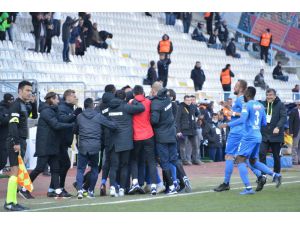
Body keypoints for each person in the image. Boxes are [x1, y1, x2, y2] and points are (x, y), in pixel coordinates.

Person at [19, 92, 74, 199]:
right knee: (39, 168)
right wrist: (72, 125)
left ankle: (57, 190)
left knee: (55, 168)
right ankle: (24, 188)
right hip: (45, 145)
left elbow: (60, 121)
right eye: (57, 99)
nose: (59, 101)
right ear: (52, 99)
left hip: (52, 144)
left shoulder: (52, 110)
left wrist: (72, 117)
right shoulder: (46, 112)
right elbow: (56, 125)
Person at [214, 80, 264, 192]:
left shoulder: (242, 99)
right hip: (244, 131)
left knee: (229, 156)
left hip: (237, 131)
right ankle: (260, 176)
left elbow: (245, 114)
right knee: (243, 158)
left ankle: (226, 183)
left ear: (241, 89)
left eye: (236, 86)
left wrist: (233, 114)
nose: (234, 88)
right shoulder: (241, 99)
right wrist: (227, 106)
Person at [234, 87, 282, 195]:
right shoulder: (261, 106)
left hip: (248, 136)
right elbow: (264, 123)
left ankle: (248, 188)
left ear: (247, 94)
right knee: (253, 161)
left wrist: (229, 123)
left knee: (239, 159)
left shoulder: (247, 105)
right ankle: (275, 175)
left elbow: (243, 119)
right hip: (258, 136)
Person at [75, 98, 117, 199]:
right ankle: (90, 191)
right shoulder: (98, 116)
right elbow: (112, 125)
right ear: (92, 106)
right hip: (95, 147)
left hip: (83, 147)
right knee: (94, 169)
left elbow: (75, 130)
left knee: (80, 169)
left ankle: (80, 190)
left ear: (85, 106)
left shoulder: (79, 117)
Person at [151, 86, 189, 194]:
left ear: (155, 92)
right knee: (174, 159)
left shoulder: (156, 103)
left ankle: (172, 186)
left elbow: (154, 120)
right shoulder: (168, 100)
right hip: (172, 134)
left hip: (162, 136)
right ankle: (184, 178)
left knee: (164, 162)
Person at [4, 81, 35, 211]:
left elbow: (35, 115)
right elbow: (13, 125)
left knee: (18, 171)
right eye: (27, 90)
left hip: (21, 141)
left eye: (31, 91)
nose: (29, 93)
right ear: (20, 91)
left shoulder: (24, 105)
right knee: (15, 171)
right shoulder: (16, 105)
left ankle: (13, 201)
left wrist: (33, 104)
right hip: (15, 141)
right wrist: (16, 143)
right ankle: (9, 202)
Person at [108, 90, 145, 197]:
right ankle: (122, 189)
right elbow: (142, 108)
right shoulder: (126, 106)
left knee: (114, 166)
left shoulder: (109, 108)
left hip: (113, 141)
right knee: (124, 165)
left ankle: (112, 187)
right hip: (126, 141)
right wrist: (134, 101)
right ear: (124, 98)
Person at [47, 89, 82, 198]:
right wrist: (75, 113)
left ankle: (52, 189)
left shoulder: (70, 107)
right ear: (67, 97)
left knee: (60, 165)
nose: (75, 97)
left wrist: (77, 109)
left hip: (64, 141)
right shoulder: (62, 107)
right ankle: (59, 188)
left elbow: (76, 118)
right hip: (59, 141)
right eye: (73, 95)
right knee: (64, 164)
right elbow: (62, 120)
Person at [128, 85, 158, 195]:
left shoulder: (131, 103)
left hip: (136, 136)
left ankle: (135, 182)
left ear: (134, 94)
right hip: (148, 134)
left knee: (134, 160)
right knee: (151, 161)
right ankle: (154, 186)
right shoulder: (148, 102)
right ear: (143, 92)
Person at [259, 88, 287, 175]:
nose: (268, 97)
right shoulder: (262, 104)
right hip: (264, 134)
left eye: (270, 95)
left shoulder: (280, 105)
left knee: (276, 156)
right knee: (261, 154)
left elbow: (283, 117)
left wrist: (278, 127)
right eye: (267, 95)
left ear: (275, 96)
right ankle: (263, 174)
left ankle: (277, 174)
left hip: (276, 135)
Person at [176, 96, 200, 165]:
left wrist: (198, 116)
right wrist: (178, 131)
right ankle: (184, 160)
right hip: (184, 130)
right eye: (187, 100)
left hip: (192, 129)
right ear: (184, 100)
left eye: (190, 100)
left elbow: (198, 114)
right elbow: (177, 120)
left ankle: (195, 159)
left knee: (195, 145)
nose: (189, 101)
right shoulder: (180, 107)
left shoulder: (193, 106)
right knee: (183, 146)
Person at [0, 93, 14, 171]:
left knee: (8, 156)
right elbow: (3, 121)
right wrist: (11, 117)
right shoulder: (1, 108)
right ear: (7, 100)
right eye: (11, 100)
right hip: (3, 136)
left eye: (13, 100)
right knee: (3, 158)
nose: (12, 101)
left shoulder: (13, 108)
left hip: (11, 136)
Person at [289, 100, 300, 165]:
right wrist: (291, 131)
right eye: (299, 104)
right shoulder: (293, 111)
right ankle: (294, 161)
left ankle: (299, 160)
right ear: (297, 105)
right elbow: (290, 122)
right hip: (296, 131)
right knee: (295, 146)